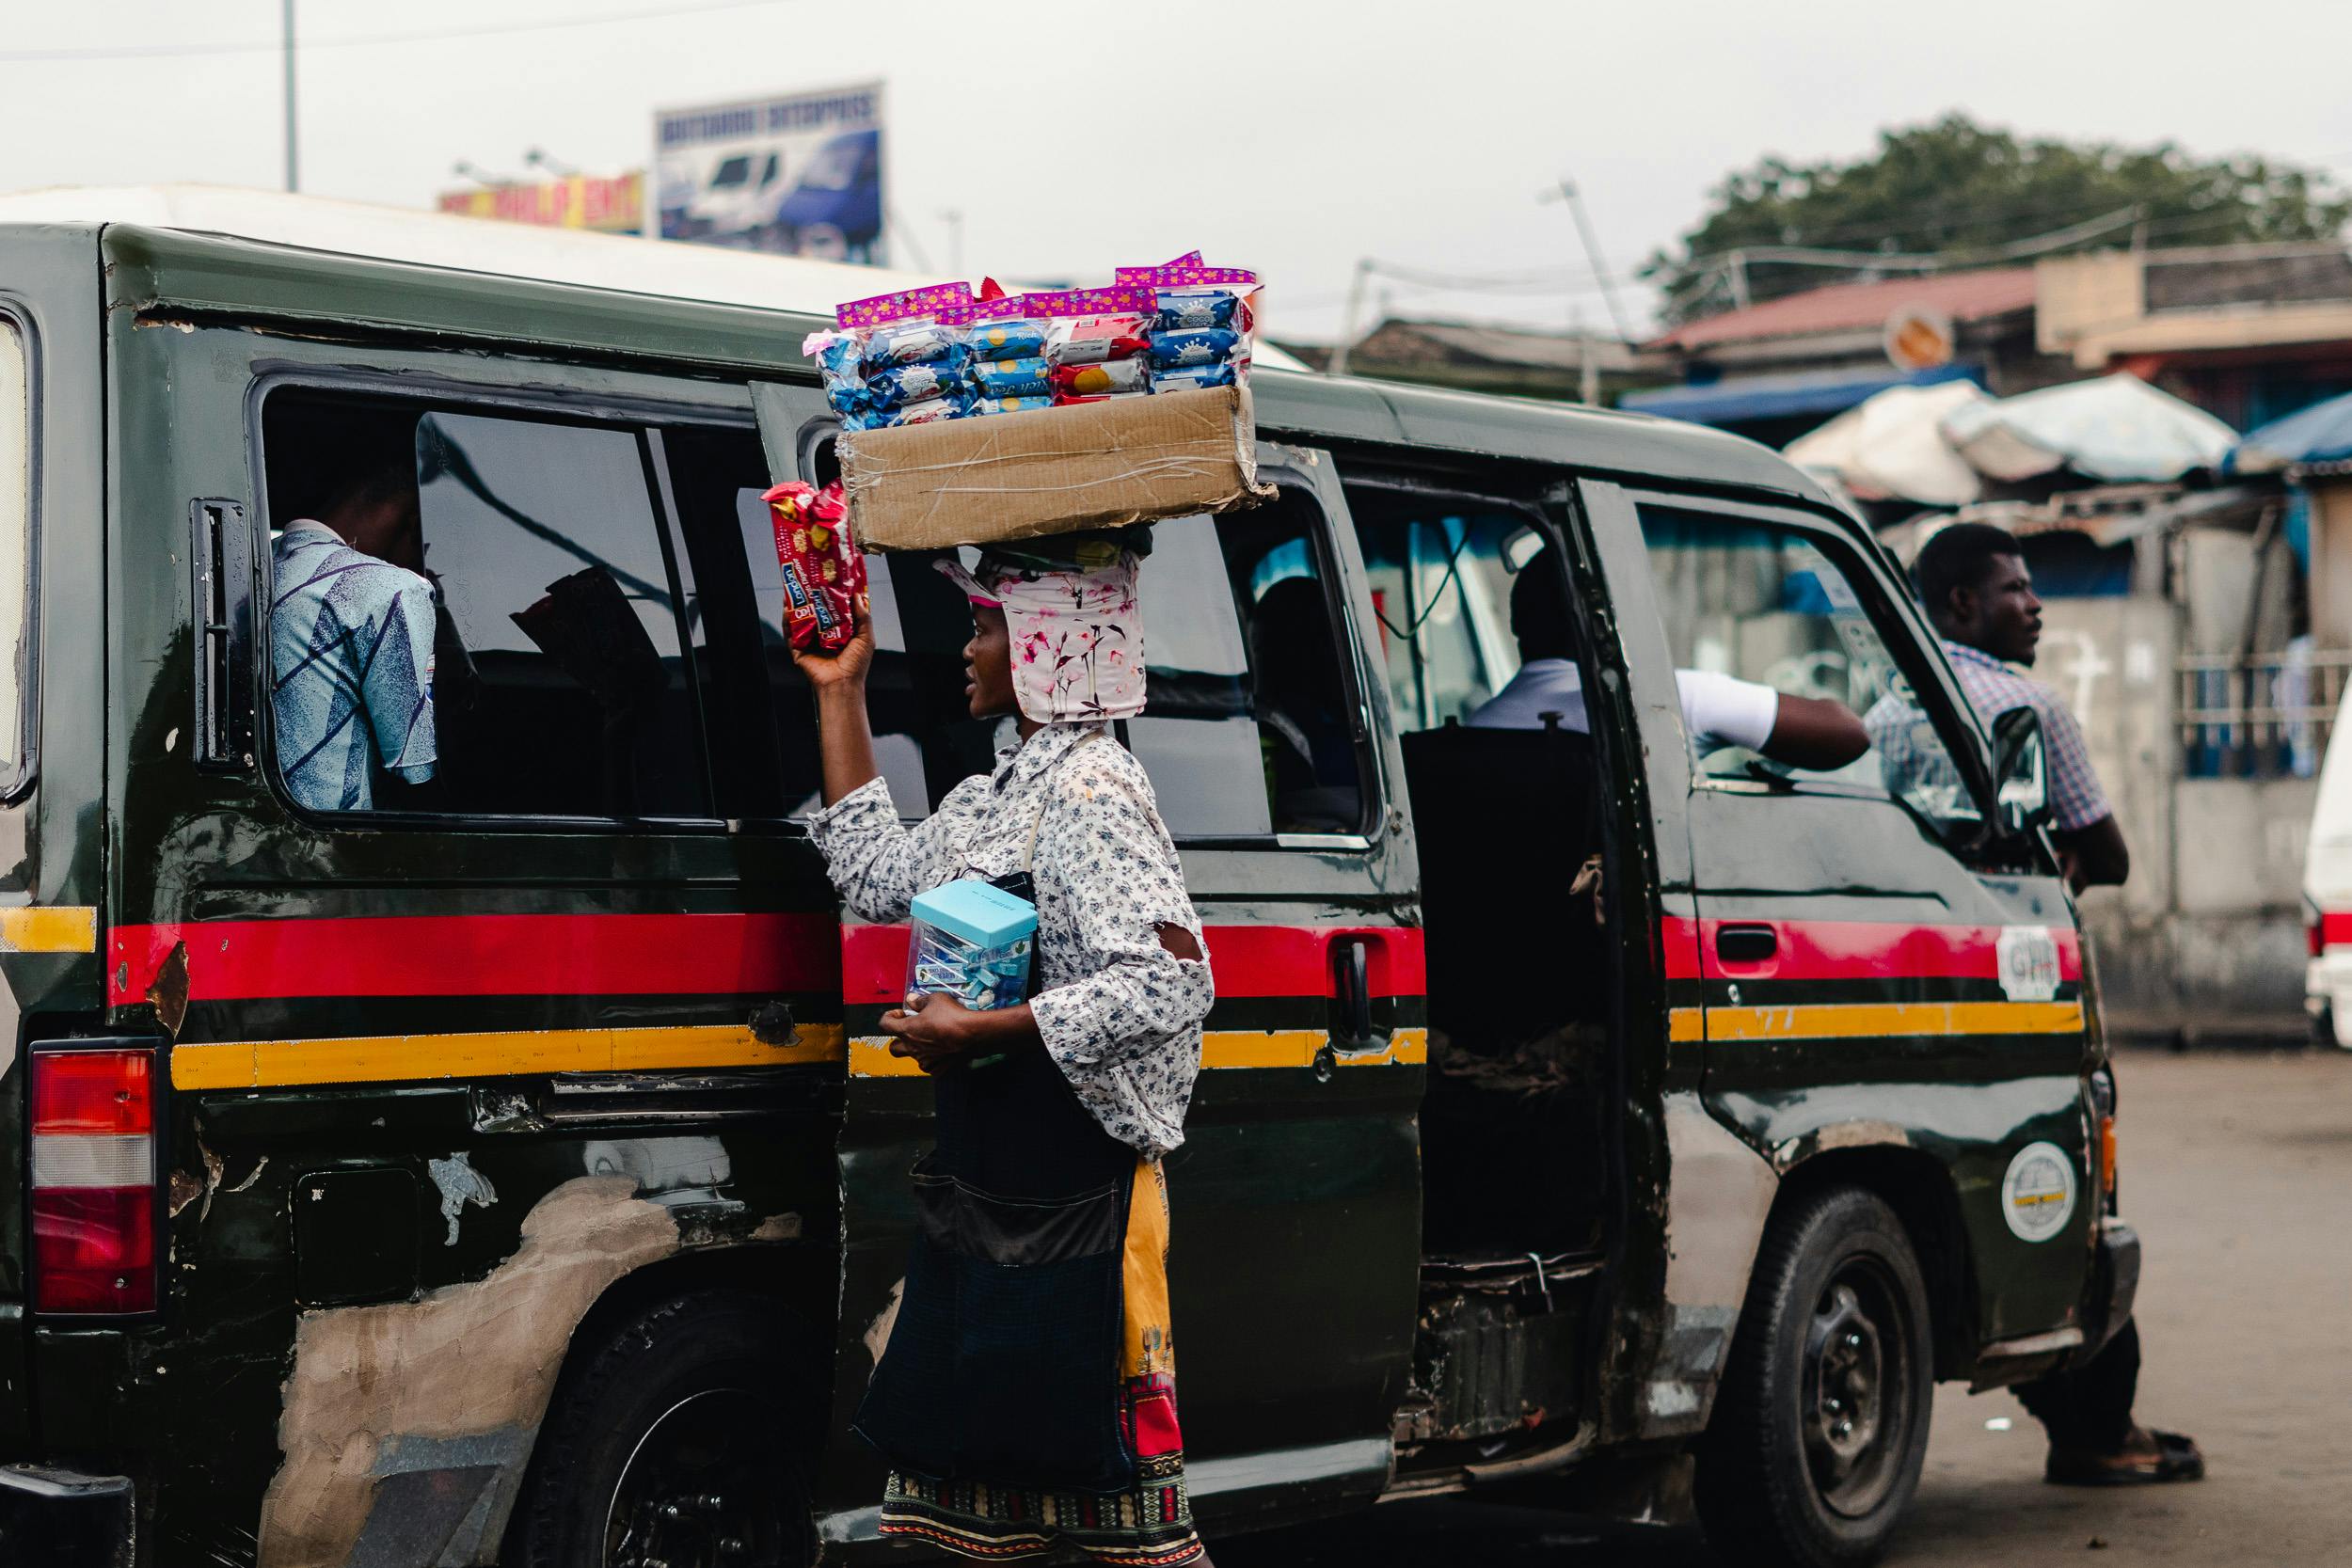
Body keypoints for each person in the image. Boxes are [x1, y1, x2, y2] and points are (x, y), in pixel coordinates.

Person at [795, 532, 1217, 1566]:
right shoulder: (999, 793)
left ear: (1045, 645)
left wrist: (983, 1028)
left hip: (1081, 1194)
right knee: (988, 1504)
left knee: (1127, 1510)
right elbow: (872, 876)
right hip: (998, 1185)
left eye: (984, 624)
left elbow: (1174, 979)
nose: (968, 647)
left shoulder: (1091, 789)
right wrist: (838, 688)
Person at [1889, 521, 2201, 1488]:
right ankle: (2096, 1426)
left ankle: (2090, 1412)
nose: (2035, 604)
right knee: (2070, 1192)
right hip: (2026, 989)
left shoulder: (1885, 708)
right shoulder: (2028, 703)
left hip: (1913, 991)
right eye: (2016, 588)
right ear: (1959, 606)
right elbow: (2105, 855)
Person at [1470, 552, 1871, 770]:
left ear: (1518, 624)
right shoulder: (1666, 699)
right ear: (1616, 624)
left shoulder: (1472, 731)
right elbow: (1848, 734)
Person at [269, 441, 438, 813]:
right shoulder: (389, 589)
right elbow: (416, 773)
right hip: (336, 850)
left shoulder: (260, 569)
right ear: (414, 523)